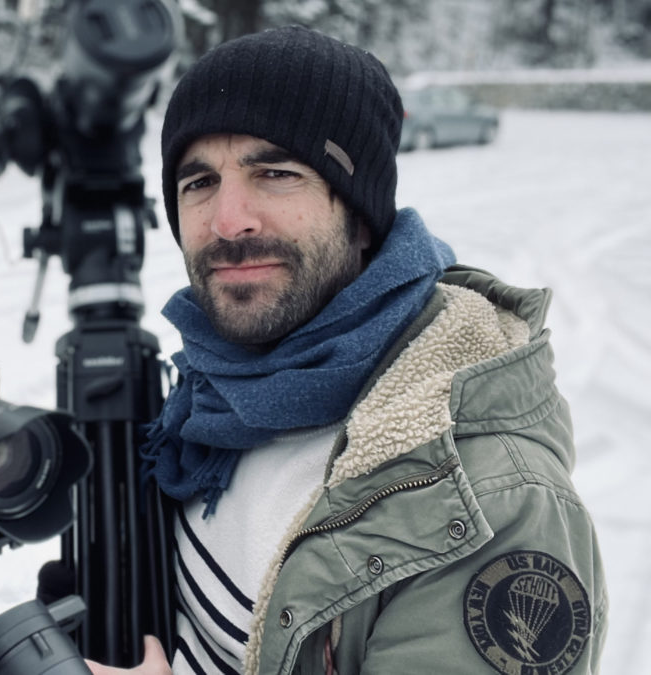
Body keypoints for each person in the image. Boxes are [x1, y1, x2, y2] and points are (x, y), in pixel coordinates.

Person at [90, 25, 607, 675]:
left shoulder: (488, 499)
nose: (227, 221)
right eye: (198, 182)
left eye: (275, 173)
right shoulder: (209, 397)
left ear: (361, 215)